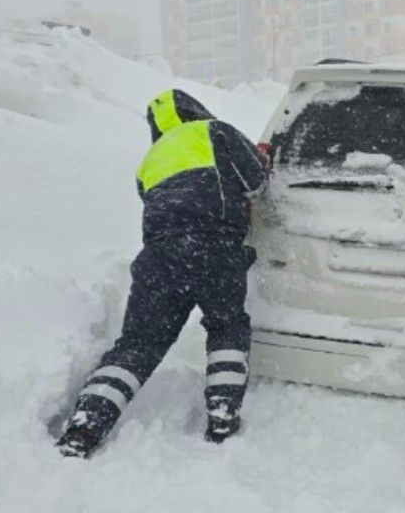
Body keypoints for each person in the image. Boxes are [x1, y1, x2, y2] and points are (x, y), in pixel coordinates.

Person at [56, 89, 267, 458]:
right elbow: (256, 184)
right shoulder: (214, 131)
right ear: (193, 110)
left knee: (138, 344)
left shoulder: (150, 159)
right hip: (214, 248)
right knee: (226, 326)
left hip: (159, 259)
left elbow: (161, 204)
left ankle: (84, 427)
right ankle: (221, 417)